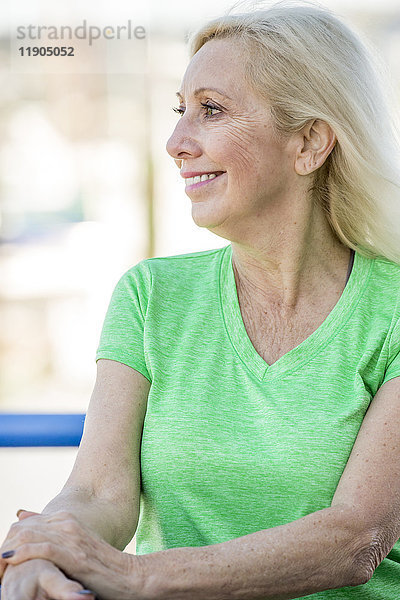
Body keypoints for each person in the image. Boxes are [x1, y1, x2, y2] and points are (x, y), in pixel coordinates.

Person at [1, 1, 400, 598]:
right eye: (179, 111)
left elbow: (352, 540)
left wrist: (132, 577)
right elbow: (97, 495)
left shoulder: (392, 309)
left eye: (210, 111)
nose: (175, 142)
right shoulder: (150, 295)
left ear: (310, 142)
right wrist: (40, 553)